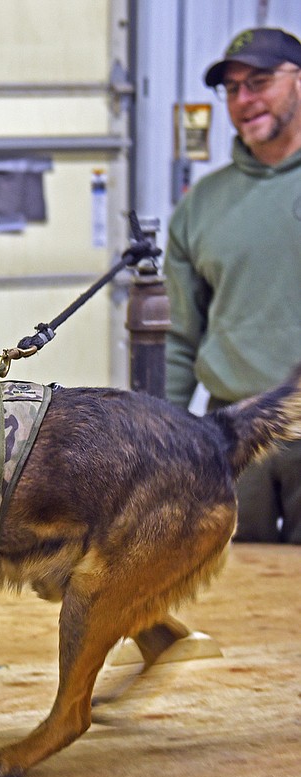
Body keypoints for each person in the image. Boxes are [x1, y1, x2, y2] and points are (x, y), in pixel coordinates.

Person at [165, 26, 301, 543]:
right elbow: (180, 336)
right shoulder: (202, 206)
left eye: (260, 81)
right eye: (232, 89)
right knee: (240, 591)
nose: (244, 100)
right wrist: (165, 439)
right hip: (234, 437)